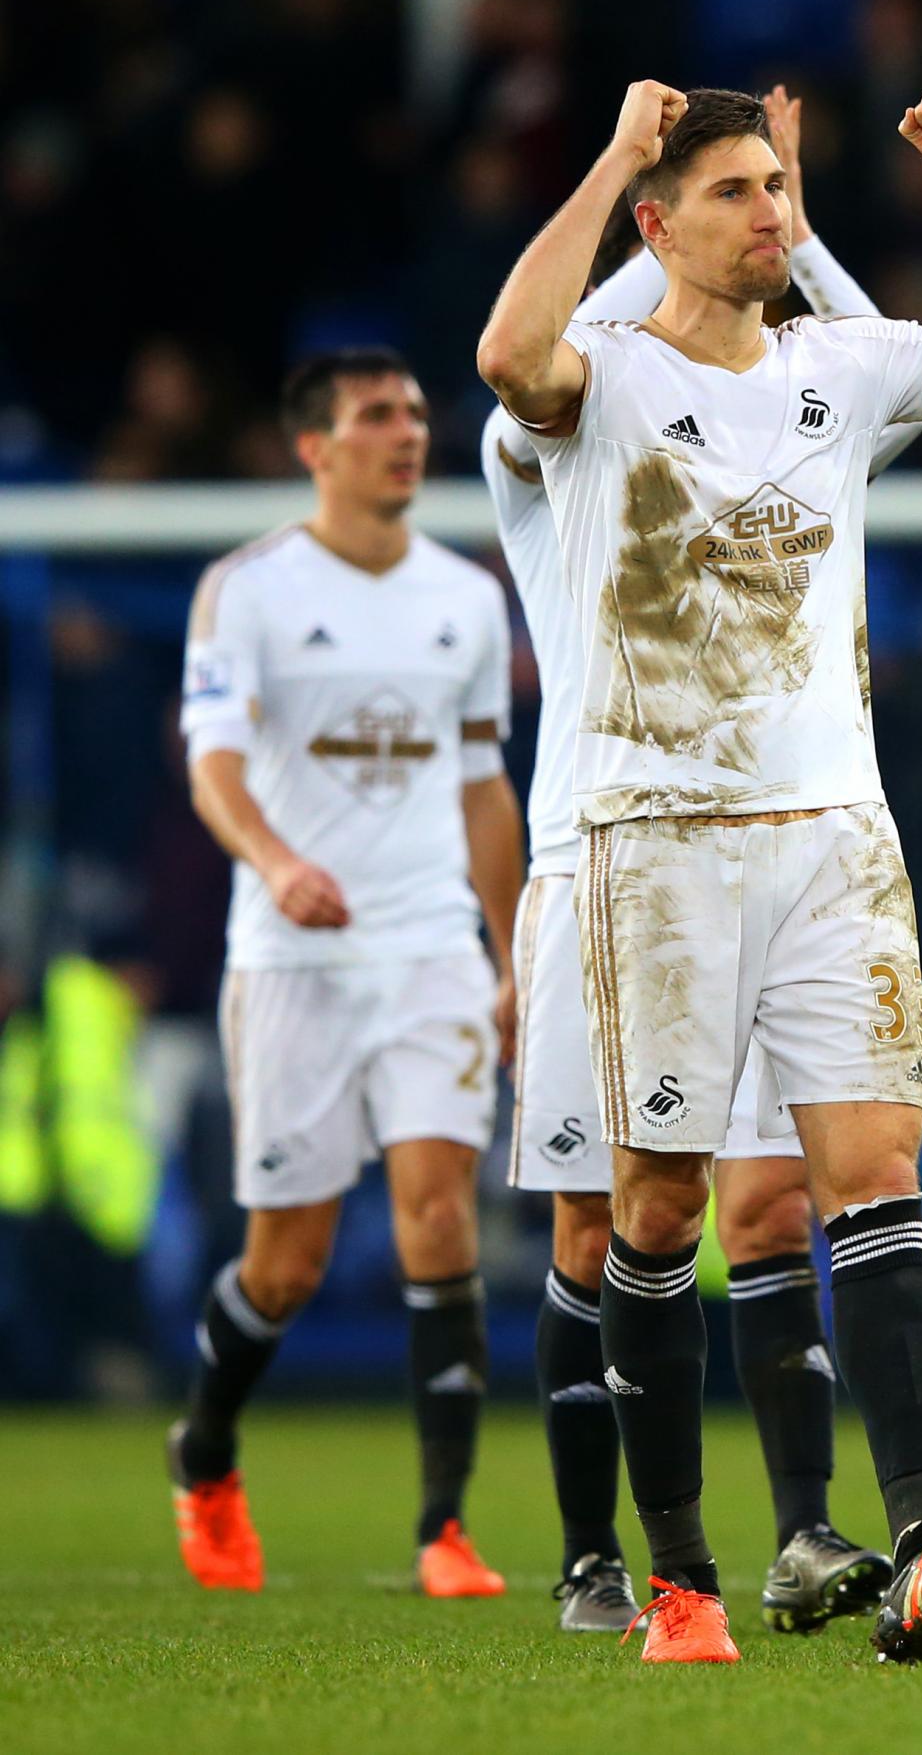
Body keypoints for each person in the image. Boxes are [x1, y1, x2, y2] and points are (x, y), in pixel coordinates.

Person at [476, 78, 922, 1664]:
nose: (773, 212)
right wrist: (615, 142)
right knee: (660, 1204)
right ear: (657, 223)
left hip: (836, 836)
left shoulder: (848, 364)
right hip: (657, 837)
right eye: (739, 192)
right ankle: (678, 1578)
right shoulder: (600, 381)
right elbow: (505, 355)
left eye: (778, 184)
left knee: (872, 1179)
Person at [486, 86, 911, 1636]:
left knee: (776, 1202)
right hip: (594, 858)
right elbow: (564, 335)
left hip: (765, 842)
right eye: (728, 198)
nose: (766, 221)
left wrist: (786, 191)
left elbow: (837, 358)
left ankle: (803, 1530)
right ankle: (602, 1549)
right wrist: (640, 166)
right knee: (607, 1221)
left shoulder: (756, 382)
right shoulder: (562, 415)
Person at [171, 348, 526, 1600]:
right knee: (290, 1265)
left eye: (418, 414)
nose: (408, 434)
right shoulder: (247, 591)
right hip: (292, 955)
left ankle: (445, 1528)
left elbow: (483, 784)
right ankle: (205, 1449)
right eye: (377, 416)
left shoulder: (468, 599)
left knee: (440, 1216)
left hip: (430, 943)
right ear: (313, 447)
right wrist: (270, 860)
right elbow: (213, 758)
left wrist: (510, 941)